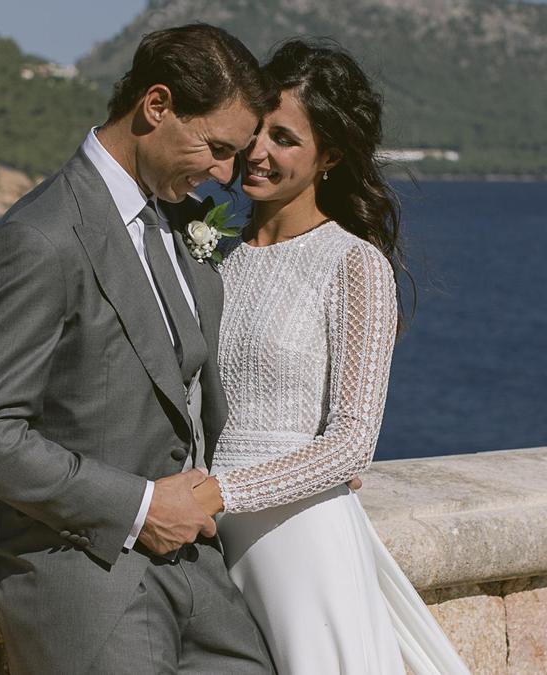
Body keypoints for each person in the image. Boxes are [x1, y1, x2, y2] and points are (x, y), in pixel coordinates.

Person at [0, 24, 278, 673]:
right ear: (156, 106)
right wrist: (143, 506)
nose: (226, 174)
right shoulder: (41, 239)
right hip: (89, 586)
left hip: (202, 581)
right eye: (215, 147)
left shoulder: (181, 226)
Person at [192, 39, 472, 674]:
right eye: (254, 131)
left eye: (285, 139)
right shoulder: (212, 252)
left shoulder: (353, 265)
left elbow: (351, 446)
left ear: (332, 156)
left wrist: (220, 494)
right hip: (209, 540)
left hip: (298, 541)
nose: (258, 153)